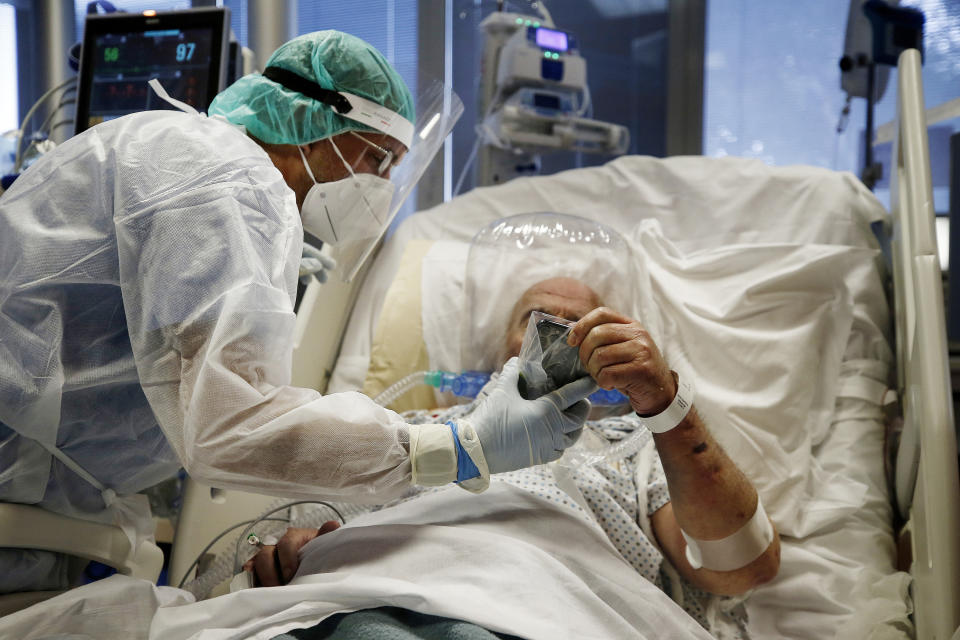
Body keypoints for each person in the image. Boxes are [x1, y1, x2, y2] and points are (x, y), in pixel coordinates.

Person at [0, 31, 592, 594]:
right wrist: (455, 448)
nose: (381, 185)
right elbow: (229, 428)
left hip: (38, 499)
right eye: (379, 159)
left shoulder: (197, 164)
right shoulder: (226, 185)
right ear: (318, 125)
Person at [234, 277, 781, 639]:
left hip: (551, 615)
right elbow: (275, 545)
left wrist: (664, 402)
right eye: (541, 320)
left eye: (586, 328)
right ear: (506, 342)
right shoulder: (413, 432)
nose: (561, 337)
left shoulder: (634, 447)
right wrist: (295, 548)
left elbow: (742, 569)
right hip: (373, 602)